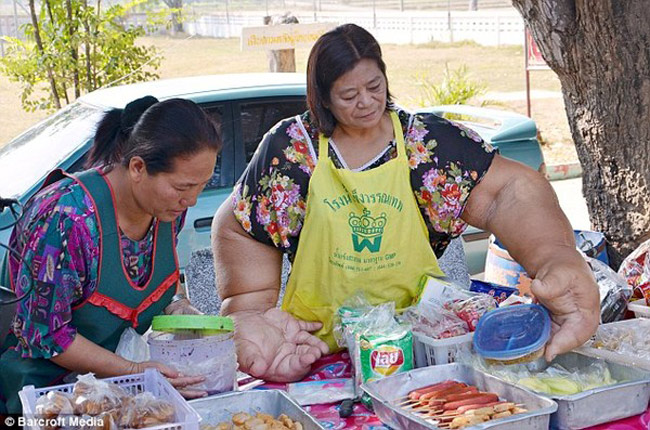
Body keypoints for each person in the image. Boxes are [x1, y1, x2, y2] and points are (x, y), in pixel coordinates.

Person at [212, 24, 600, 382]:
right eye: (348, 95)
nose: (366, 102)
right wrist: (249, 312)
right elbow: (242, 224)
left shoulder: (424, 143)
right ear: (323, 98)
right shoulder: (293, 149)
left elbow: (509, 191)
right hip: (315, 352)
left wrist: (555, 257)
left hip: (422, 349)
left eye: (374, 86)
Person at [0, 96, 221, 413]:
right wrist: (134, 371)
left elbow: (159, 289)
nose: (192, 200)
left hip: (112, 392)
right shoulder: (66, 219)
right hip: (46, 398)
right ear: (138, 168)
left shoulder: (166, 209)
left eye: (202, 185)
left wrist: (185, 316)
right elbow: (47, 335)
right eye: (183, 186)